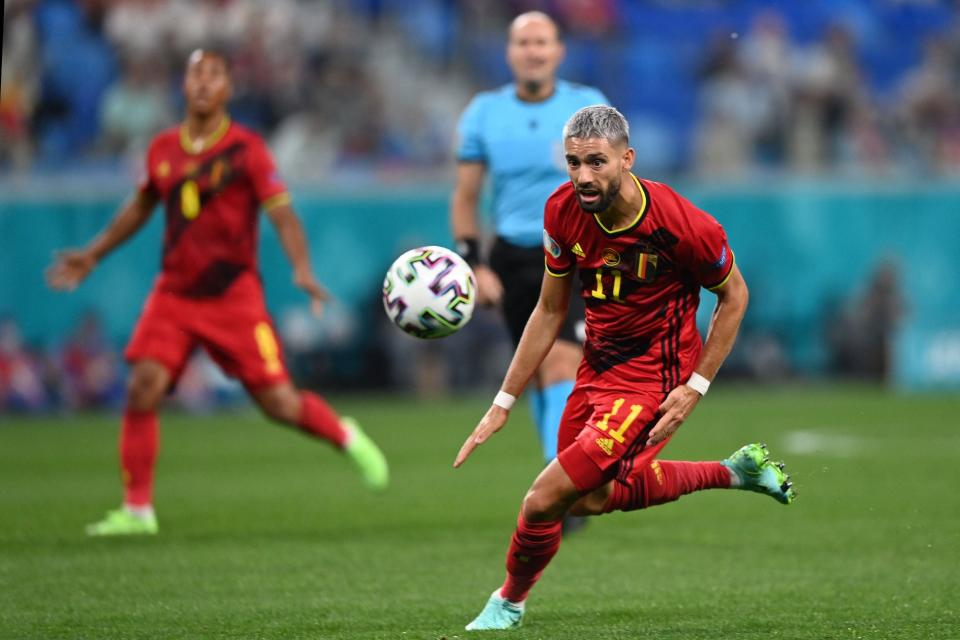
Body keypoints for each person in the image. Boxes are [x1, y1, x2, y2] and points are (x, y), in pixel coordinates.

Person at [453, 105, 796, 631]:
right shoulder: (562, 211)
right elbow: (548, 311)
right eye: (573, 163)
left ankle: (507, 603)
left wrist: (694, 387)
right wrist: (503, 402)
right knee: (588, 500)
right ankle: (731, 472)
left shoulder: (682, 225)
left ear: (627, 159)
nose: (583, 177)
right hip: (596, 369)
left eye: (596, 162)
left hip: (652, 381)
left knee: (543, 499)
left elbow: (735, 296)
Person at [46, 49, 389, 537]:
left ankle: (344, 434)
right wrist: (93, 252)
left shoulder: (247, 150)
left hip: (234, 296)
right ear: (184, 86)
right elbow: (142, 205)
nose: (204, 84)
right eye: (196, 75)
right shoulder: (162, 148)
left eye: (214, 76)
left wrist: (302, 269)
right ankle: (137, 510)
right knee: (144, 385)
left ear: (229, 87)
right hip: (175, 292)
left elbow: (282, 214)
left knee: (279, 403)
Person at [451, 12, 608, 483]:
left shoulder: (588, 106)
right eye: (524, 43)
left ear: (559, 50)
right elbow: (466, 195)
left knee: (562, 360)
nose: (533, 51)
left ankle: (561, 478)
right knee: (538, 368)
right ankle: (560, 473)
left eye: (542, 42)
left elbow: (616, 180)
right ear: (510, 53)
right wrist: (475, 264)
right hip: (515, 257)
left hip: (579, 250)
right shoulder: (484, 112)